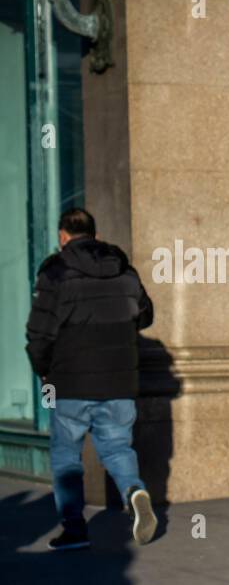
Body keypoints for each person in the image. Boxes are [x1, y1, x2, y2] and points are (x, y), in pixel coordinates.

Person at [25, 207, 157, 551]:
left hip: (67, 380)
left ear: (63, 237)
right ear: (95, 235)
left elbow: (38, 333)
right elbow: (145, 315)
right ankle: (134, 490)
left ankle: (74, 529)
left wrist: (42, 369)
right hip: (119, 380)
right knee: (116, 447)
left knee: (67, 455)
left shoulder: (55, 272)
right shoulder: (123, 270)